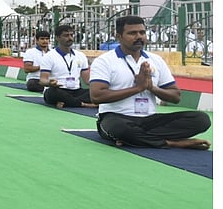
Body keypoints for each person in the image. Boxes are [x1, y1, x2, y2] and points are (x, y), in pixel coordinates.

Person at [89, 16, 211, 149]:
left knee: (201, 120)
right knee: (121, 130)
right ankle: (173, 142)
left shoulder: (156, 60)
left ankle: (139, 138)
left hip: (149, 119)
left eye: (142, 32)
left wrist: (152, 87)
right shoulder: (105, 61)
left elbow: (175, 96)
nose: (139, 37)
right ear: (119, 36)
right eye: (132, 33)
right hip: (117, 117)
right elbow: (96, 97)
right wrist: (138, 88)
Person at [39, 24, 95, 109]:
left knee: (96, 92)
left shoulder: (81, 56)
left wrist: (102, 84)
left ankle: (68, 102)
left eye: (71, 35)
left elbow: (87, 80)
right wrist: (49, 83)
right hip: (59, 89)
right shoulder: (49, 56)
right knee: (51, 93)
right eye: (66, 35)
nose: (70, 38)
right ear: (58, 38)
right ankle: (84, 104)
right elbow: (42, 80)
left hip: (76, 91)